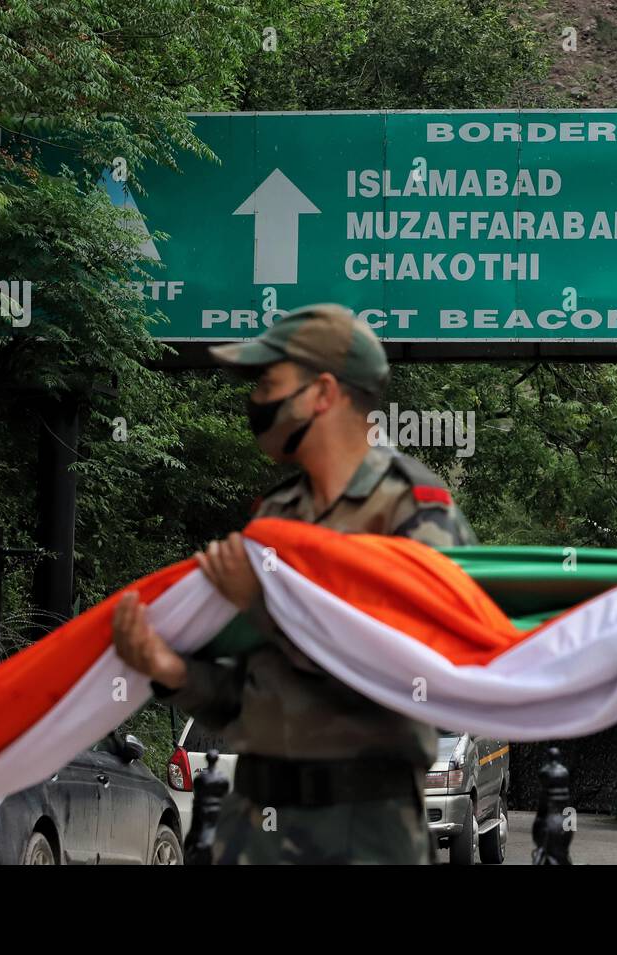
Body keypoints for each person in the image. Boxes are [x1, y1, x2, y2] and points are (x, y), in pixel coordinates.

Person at [112, 303, 476, 863]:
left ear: (323, 393)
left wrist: (264, 604)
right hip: (252, 823)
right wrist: (171, 671)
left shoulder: (414, 513)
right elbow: (247, 700)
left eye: (270, 382)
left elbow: (410, 665)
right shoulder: (274, 515)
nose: (256, 399)